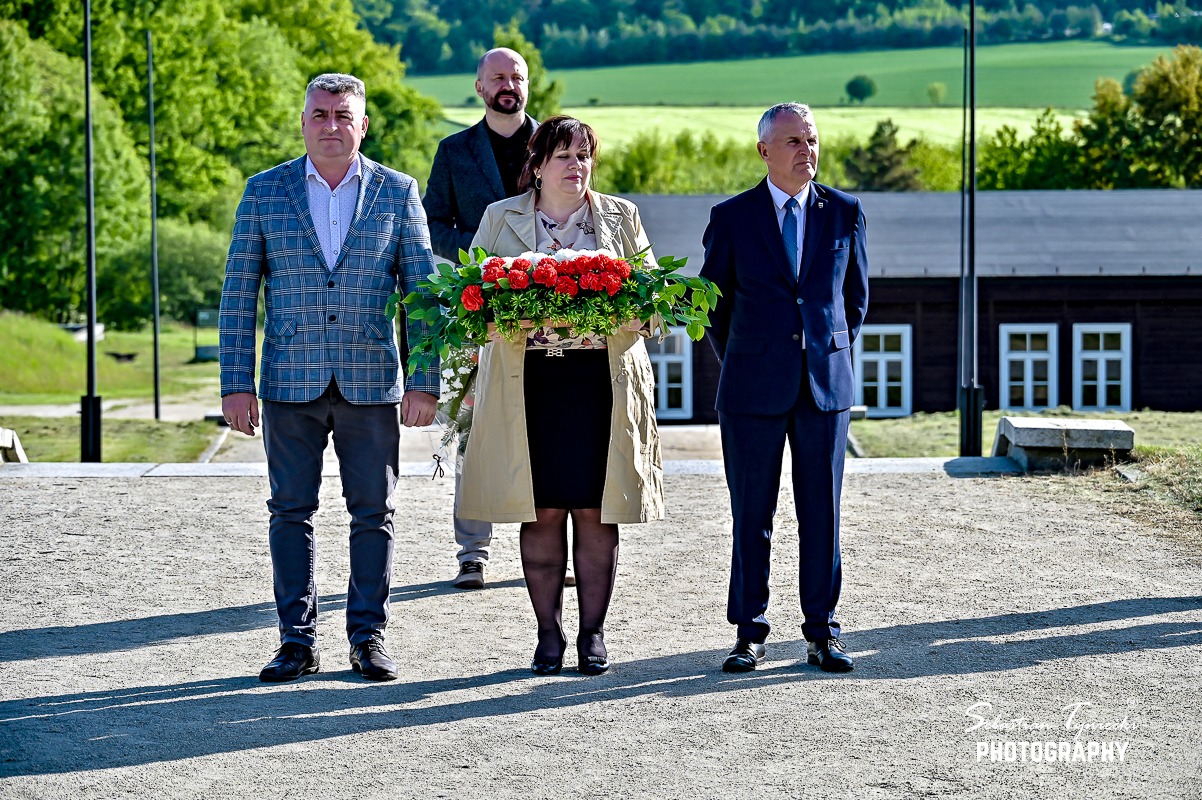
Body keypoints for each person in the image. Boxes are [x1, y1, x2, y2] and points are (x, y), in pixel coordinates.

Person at [218, 73, 439, 683]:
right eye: (320, 114)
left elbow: (421, 294)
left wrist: (424, 380)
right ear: (304, 121)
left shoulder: (398, 192)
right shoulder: (264, 192)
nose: (331, 125)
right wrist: (235, 382)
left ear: (363, 124)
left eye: (344, 115)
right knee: (290, 510)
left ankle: (368, 637)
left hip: (372, 380)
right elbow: (238, 293)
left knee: (375, 512)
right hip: (288, 380)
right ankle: (296, 641)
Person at [457, 116, 664, 675]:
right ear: (538, 164)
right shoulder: (500, 219)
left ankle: (593, 635)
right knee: (541, 512)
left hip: (602, 384)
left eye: (585, 155)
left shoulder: (622, 217)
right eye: (564, 155)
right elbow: (469, 303)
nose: (576, 166)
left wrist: (625, 304)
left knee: (598, 514)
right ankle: (548, 635)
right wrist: (515, 305)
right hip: (532, 388)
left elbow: (653, 309)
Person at [699, 102, 869, 674]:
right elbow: (713, 307)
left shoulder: (845, 212)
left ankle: (823, 631)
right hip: (751, 389)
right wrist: (751, 358)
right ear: (764, 151)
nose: (806, 151)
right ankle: (750, 632)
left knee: (823, 513)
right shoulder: (732, 217)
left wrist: (824, 352)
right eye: (794, 141)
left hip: (824, 387)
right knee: (753, 514)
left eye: (812, 140)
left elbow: (855, 301)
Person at [422, 47, 542, 590]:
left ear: (527, 83)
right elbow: (431, 222)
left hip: (546, 308)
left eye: (516, 76)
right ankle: (472, 551)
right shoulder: (453, 151)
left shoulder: (555, 144)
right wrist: (481, 253)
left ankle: (547, 551)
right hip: (475, 308)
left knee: (546, 431)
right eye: (498, 77)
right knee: (472, 429)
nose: (508, 84)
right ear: (479, 86)